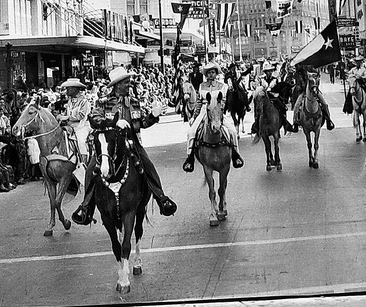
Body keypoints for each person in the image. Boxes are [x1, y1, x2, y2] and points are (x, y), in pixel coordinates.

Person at [71, 66, 177, 225]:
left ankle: (161, 198)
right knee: (91, 170)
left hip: (131, 142)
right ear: (118, 85)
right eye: (126, 82)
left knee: (148, 165)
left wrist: (153, 116)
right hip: (109, 143)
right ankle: (86, 206)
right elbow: (94, 119)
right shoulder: (103, 102)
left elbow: (141, 123)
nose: (129, 85)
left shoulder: (134, 102)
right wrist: (111, 124)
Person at [182, 61, 244, 171]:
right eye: (209, 72)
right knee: (191, 133)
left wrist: (218, 110)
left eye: (213, 72)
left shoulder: (222, 86)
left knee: (233, 132)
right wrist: (193, 116)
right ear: (206, 74)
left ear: (216, 73)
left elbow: (224, 102)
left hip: (217, 112)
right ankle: (190, 158)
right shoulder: (202, 86)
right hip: (204, 111)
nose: (211, 74)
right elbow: (199, 102)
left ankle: (236, 156)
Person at [251, 61, 295, 135]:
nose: (269, 73)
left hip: (273, 97)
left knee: (283, 107)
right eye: (268, 71)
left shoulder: (276, 79)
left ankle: (285, 123)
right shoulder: (261, 79)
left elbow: (279, 87)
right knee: (258, 108)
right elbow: (257, 87)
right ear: (265, 72)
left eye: (270, 71)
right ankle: (257, 124)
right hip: (263, 98)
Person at [56, 78, 92, 163]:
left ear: (75, 89)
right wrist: (61, 116)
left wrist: (67, 117)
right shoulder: (70, 101)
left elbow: (81, 115)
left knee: (81, 141)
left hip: (82, 126)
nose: (66, 91)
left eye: (68, 89)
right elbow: (66, 112)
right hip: (70, 126)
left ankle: (84, 163)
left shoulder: (84, 101)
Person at [290, 65, 335, 131]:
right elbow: (299, 84)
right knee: (296, 106)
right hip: (303, 92)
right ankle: (295, 122)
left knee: (325, 104)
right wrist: (303, 86)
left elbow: (317, 80)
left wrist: (315, 83)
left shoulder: (314, 69)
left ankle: (328, 120)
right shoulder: (299, 73)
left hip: (315, 91)